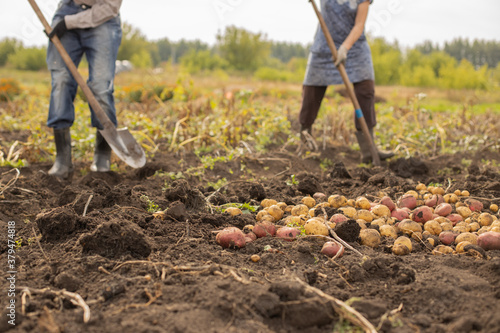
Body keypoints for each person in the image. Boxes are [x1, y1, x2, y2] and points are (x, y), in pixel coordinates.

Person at [299, 0, 393, 163]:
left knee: (365, 90)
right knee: (311, 92)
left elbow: (359, 25)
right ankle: (305, 143)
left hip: (355, 48)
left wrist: (344, 48)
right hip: (324, 46)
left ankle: (368, 150)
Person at [46, 0, 123, 179]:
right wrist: (64, 20)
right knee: (61, 82)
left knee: (100, 86)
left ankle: (102, 155)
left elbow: (111, 6)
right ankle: (62, 159)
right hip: (67, 10)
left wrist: (69, 22)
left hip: (103, 16)